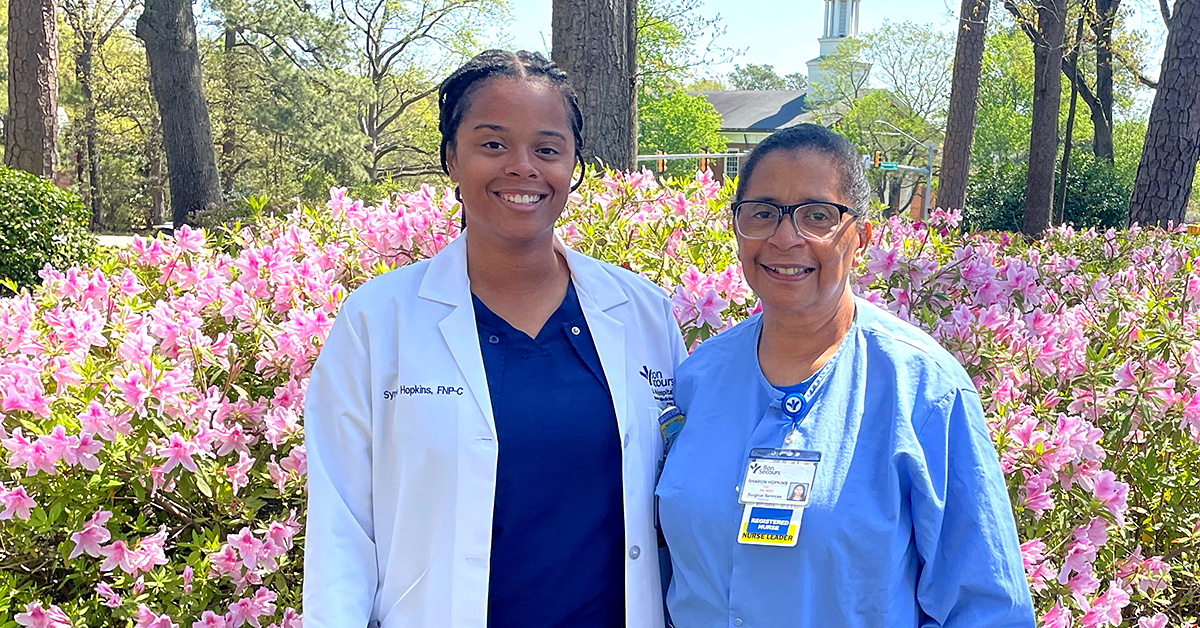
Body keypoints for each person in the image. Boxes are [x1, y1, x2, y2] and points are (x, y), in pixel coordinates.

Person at [303, 50, 687, 628]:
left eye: (548, 149)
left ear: (573, 165)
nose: (523, 167)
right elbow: (341, 526)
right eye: (493, 144)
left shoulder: (642, 313)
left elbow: (678, 501)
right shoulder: (378, 320)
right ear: (451, 158)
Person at [656, 124, 1035, 627]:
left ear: (861, 236)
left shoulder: (923, 389)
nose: (785, 237)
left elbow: (985, 608)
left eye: (818, 216)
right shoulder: (698, 378)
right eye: (763, 213)